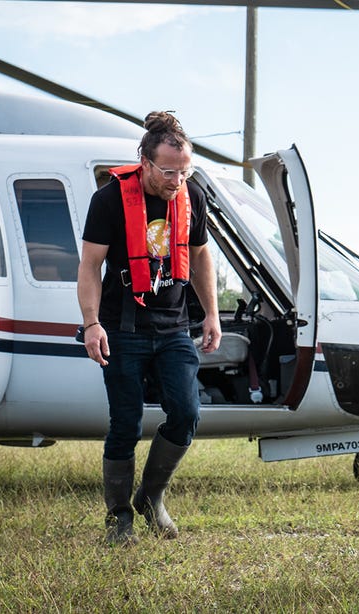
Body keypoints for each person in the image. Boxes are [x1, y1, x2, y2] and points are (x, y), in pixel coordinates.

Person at [77, 111, 222, 545]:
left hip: (174, 325)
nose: (177, 180)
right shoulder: (108, 199)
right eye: (168, 172)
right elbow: (89, 266)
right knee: (125, 423)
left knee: (186, 413)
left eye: (185, 171)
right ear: (144, 160)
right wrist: (91, 323)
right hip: (123, 327)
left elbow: (199, 256)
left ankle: (150, 498)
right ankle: (119, 516)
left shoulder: (190, 196)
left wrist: (211, 313)